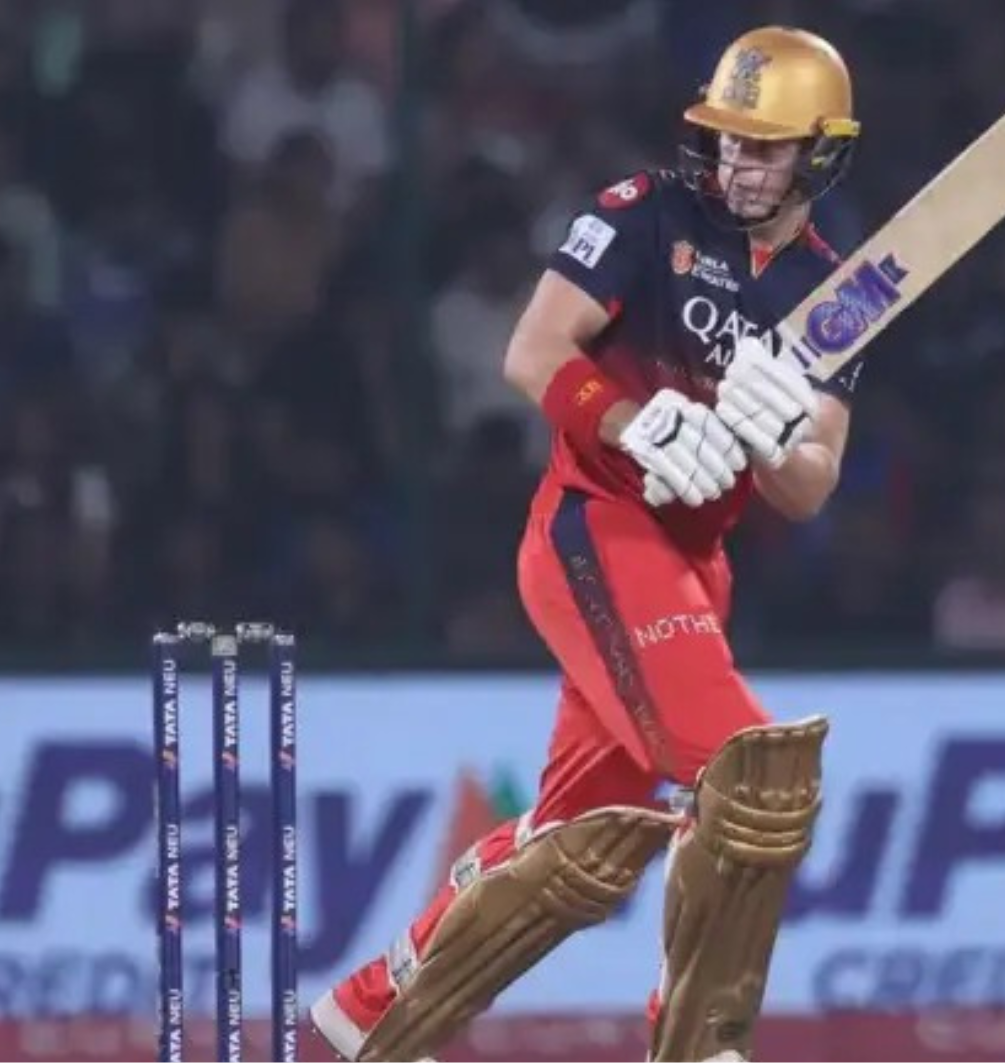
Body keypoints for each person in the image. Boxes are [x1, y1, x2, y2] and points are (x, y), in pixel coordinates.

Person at [310, 26, 864, 1062]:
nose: (739, 164)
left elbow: (810, 484)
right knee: (755, 776)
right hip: (597, 528)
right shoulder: (646, 213)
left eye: (767, 148)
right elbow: (532, 351)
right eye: (730, 140)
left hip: (692, 568)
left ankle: (368, 1014)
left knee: (576, 849)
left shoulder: (838, 293)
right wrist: (632, 423)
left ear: (820, 153)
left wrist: (783, 436)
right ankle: (699, 1044)